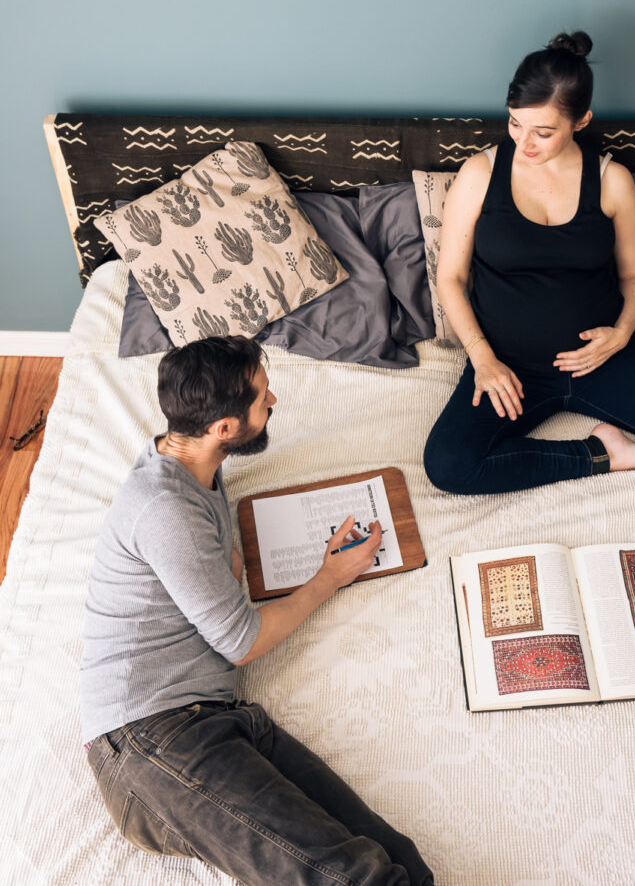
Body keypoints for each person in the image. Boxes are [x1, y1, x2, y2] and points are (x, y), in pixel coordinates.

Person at [81, 335, 433, 886]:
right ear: (223, 428)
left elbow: (224, 570)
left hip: (219, 721)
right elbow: (243, 642)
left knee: (398, 858)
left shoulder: (197, 464)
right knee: (357, 877)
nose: (275, 403)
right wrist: (331, 576)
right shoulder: (164, 510)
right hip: (149, 742)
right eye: (263, 397)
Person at [423, 32, 635, 533]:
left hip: (603, 359)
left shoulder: (612, 180)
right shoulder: (480, 173)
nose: (523, 143)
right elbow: (451, 277)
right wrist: (482, 357)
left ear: (581, 121)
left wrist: (620, 334)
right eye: (515, 123)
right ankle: (603, 456)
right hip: (510, 367)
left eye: (543, 131)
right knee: (448, 465)